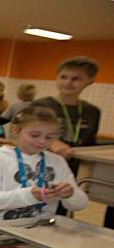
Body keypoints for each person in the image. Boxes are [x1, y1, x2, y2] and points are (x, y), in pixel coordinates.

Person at [0, 105, 88, 230]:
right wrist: (29, 195)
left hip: (37, 233)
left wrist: (70, 194)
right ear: (16, 130)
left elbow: (80, 204)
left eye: (49, 137)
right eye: (35, 135)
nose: (42, 141)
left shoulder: (57, 162)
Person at [30, 56, 109, 227]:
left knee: (59, 218)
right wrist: (51, 143)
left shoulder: (92, 111)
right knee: (35, 214)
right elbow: (23, 136)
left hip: (69, 172)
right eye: (64, 77)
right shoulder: (41, 105)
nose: (68, 83)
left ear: (90, 81)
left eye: (76, 78)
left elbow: (89, 142)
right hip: (37, 169)